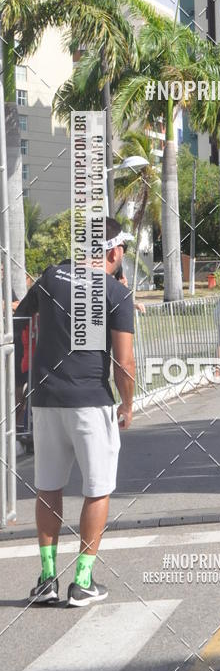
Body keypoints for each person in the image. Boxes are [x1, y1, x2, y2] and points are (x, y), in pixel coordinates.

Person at [15, 217, 135, 607]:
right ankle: (82, 581)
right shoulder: (115, 292)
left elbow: (20, 317)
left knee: (49, 487)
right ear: (114, 252)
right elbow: (124, 362)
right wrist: (128, 403)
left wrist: (20, 385)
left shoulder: (51, 277)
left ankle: (47, 579)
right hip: (90, 401)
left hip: (46, 400)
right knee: (97, 488)